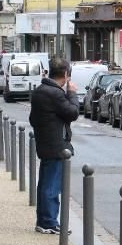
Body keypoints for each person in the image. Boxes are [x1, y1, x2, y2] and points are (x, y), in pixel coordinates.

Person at [29, 57, 79, 235]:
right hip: (56, 145)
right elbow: (72, 113)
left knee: (45, 184)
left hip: (45, 142)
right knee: (52, 186)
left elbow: (33, 119)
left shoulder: (40, 90)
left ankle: (44, 220)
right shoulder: (55, 93)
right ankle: (49, 222)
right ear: (66, 74)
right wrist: (72, 94)